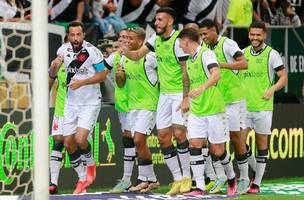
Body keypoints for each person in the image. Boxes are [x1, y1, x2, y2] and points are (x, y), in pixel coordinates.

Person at [120, 7, 192, 196]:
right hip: (164, 95)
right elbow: (136, 55)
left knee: (179, 133)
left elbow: (186, 71)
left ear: (169, 21)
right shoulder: (155, 39)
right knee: (162, 137)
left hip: (178, 94)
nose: (156, 22)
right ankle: (177, 179)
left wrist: (186, 98)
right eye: (156, 19)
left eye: (160, 20)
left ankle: (187, 178)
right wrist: (124, 49)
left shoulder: (178, 41)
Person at [50, 21, 108, 194]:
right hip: (70, 102)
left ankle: (90, 165)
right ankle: (82, 178)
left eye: (78, 34)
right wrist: (54, 67)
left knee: (81, 139)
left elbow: (102, 75)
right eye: (72, 35)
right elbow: (53, 73)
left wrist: (83, 82)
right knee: (68, 143)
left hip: (90, 102)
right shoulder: (62, 50)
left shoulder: (92, 52)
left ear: (84, 35)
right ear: (68, 35)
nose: (75, 38)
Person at [177, 28, 236, 196]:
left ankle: (231, 177)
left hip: (214, 110)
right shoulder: (189, 60)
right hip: (197, 110)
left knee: (218, 150)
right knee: (194, 144)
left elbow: (216, 75)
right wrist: (187, 98)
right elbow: (191, 82)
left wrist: (202, 88)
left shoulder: (206, 54)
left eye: (180, 42)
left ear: (186, 41)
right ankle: (200, 187)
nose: (180, 46)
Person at [199, 19, 249, 194]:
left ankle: (244, 178)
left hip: (234, 99)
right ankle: (221, 177)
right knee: (214, 140)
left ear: (214, 30)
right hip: (216, 101)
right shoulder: (204, 50)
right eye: (201, 34)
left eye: (205, 33)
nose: (203, 37)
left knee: (236, 138)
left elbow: (244, 63)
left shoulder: (228, 44)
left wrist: (222, 65)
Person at [239, 21, 288, 193]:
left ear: (264, 35)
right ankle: (251, 173)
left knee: (262, 146)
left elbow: (283, 77)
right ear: (249, 34)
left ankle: (257, 183)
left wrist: (272, 89)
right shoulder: (243, 53)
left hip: (262, 107)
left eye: (258, 35)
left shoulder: (271, 54)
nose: (254, 38)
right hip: (243, 107)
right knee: (239, 142)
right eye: (252, 34)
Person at [116, 27, 160, 192]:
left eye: (131, 39)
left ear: (141, 42)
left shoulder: (150, 58)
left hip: (149, 105)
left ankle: (149, 179)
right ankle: (148, 180)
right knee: (138, 142)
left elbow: (165, 75)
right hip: (132, 107)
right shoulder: (123, 58)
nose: (127, 41)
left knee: (139, 140)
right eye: (125, 38)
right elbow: (121, 83)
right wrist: (119, 75)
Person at [104, 29, 136, 193]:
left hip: (139, 104)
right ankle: (137, 180)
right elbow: (99, 69)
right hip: (123, 104)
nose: (123, 40)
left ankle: (128, 179)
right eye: (121, 37)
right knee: (130, 139)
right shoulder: (115, 57)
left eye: (127, 37)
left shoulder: (139, 55)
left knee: (135, 139)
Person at [48, 36, 69, 195]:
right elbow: (48, 84)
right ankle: (53, 183)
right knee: (57, 143)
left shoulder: (85, 60)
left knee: (76, 145)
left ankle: (83, 179)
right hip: (61, 110)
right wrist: (52, 71)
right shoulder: (58, 62)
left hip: (80, 111)